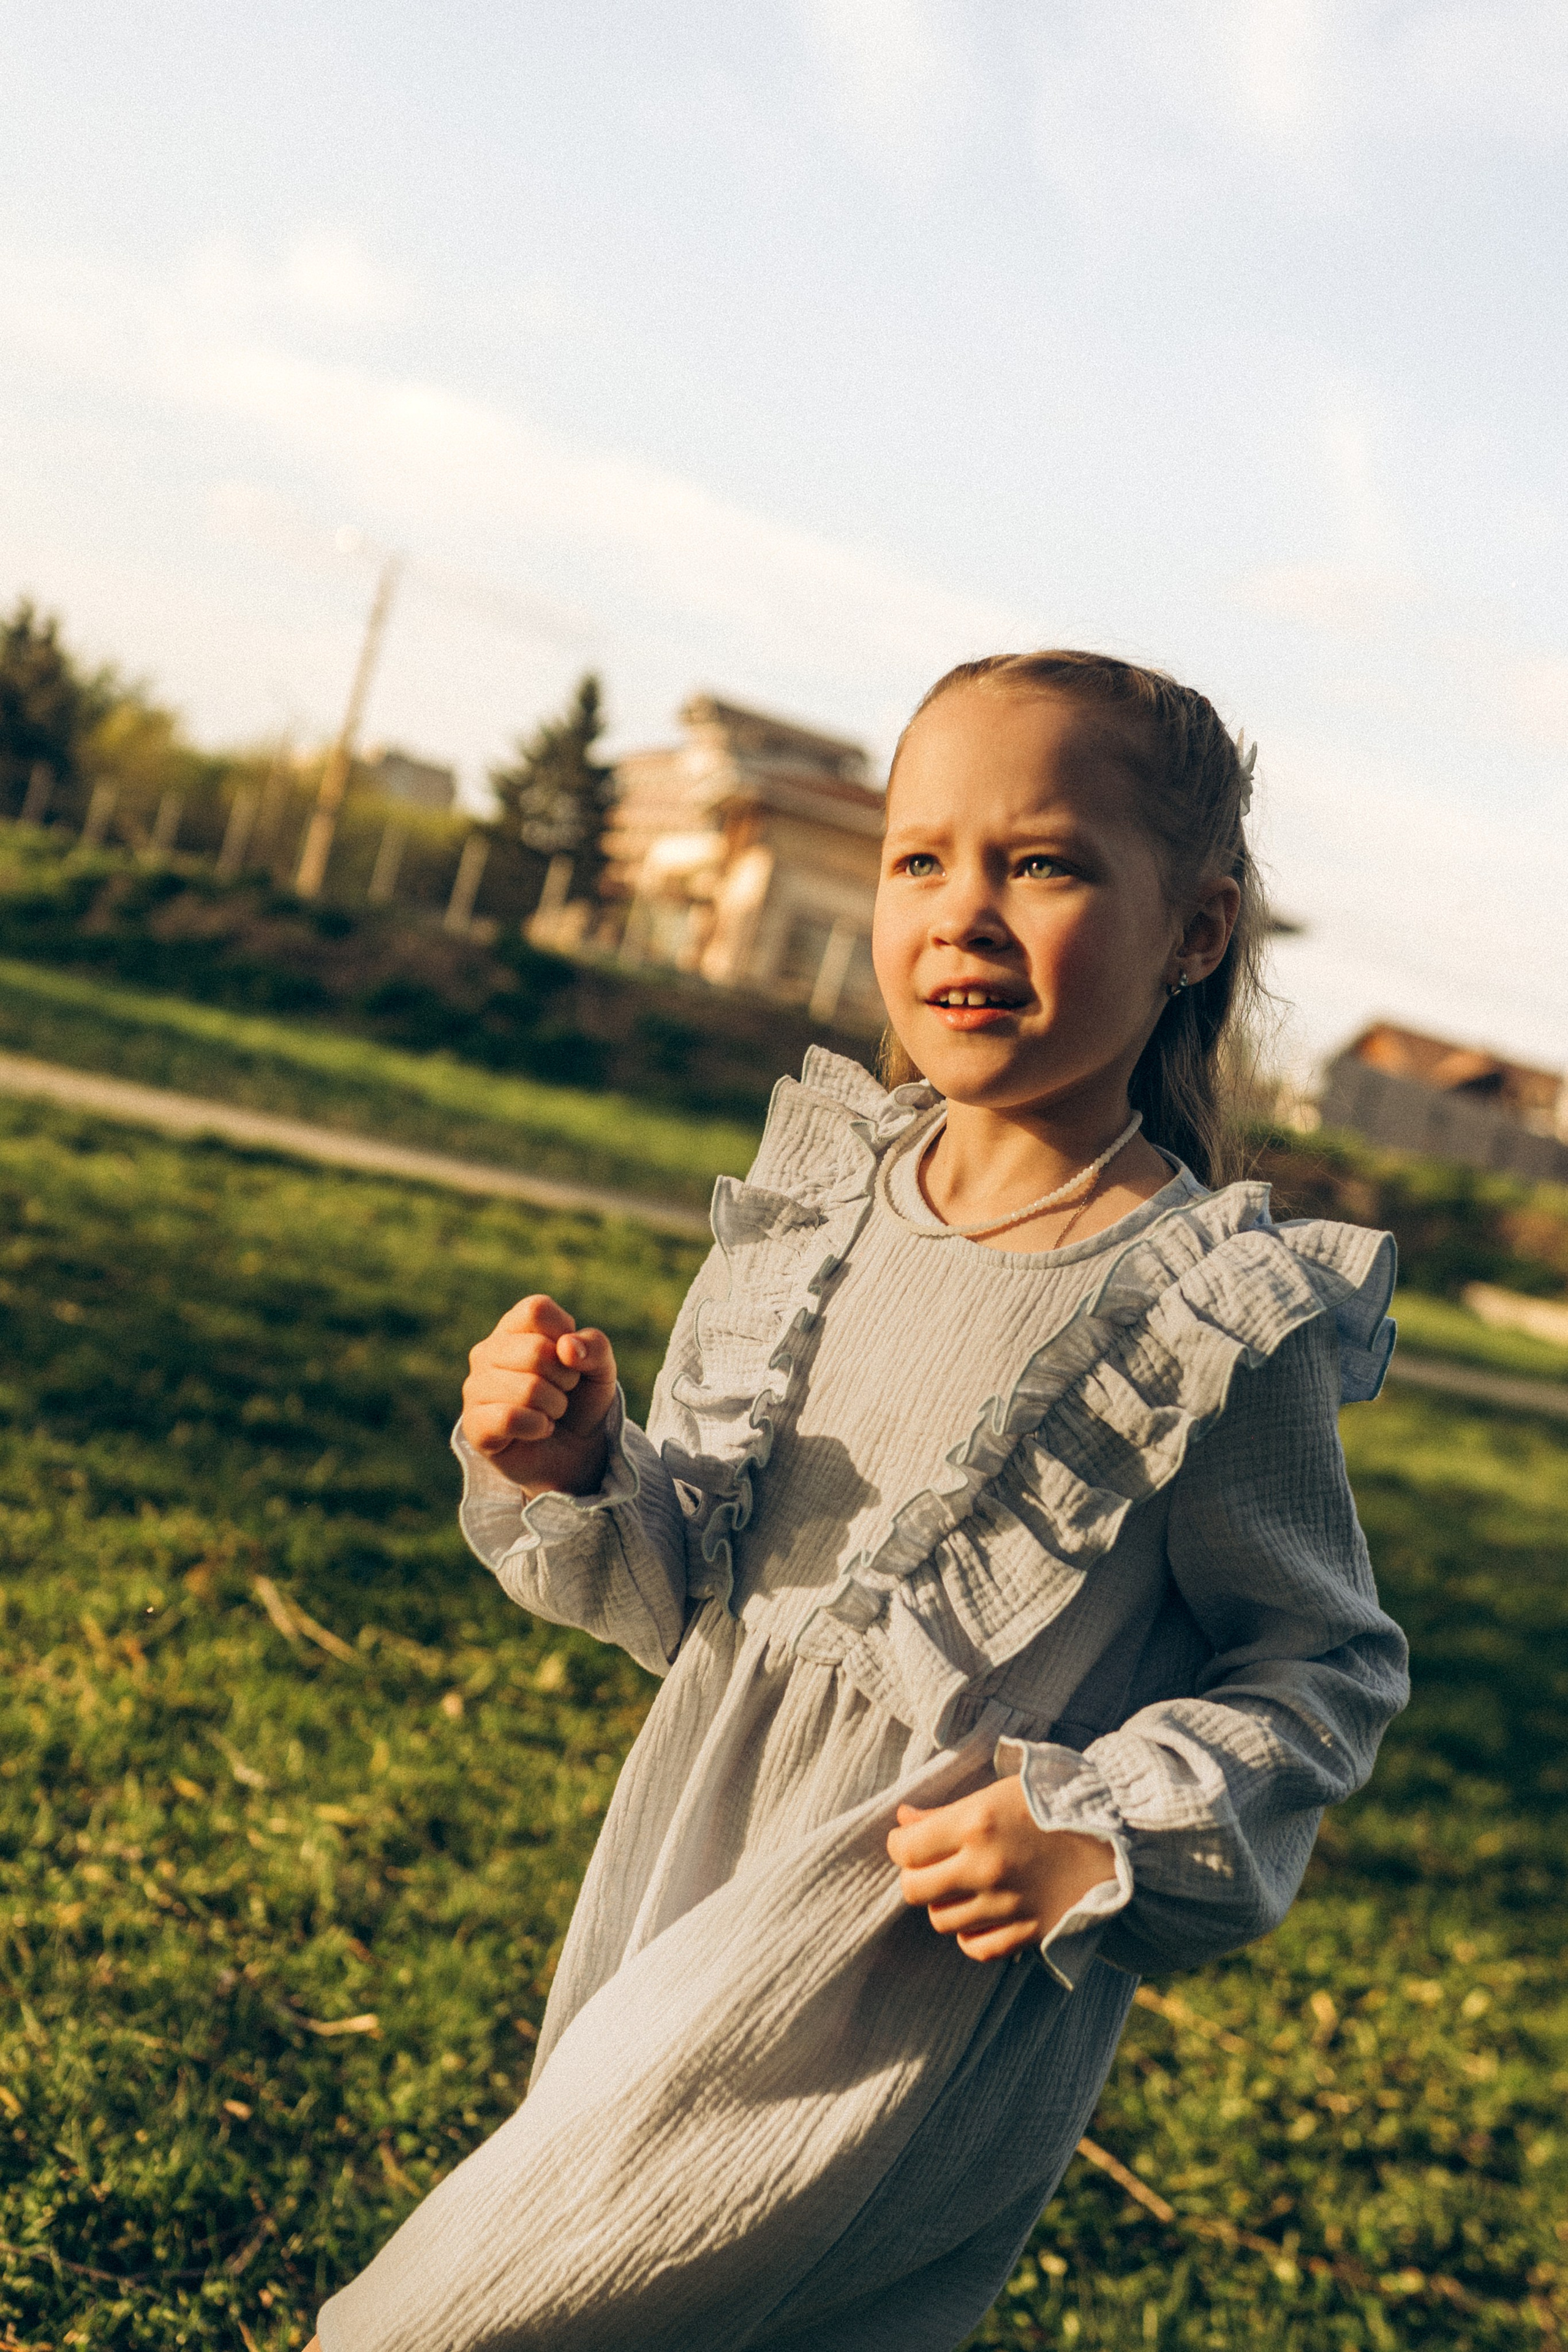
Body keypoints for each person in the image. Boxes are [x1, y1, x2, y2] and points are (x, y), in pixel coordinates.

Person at [313, 651, 1409, 2352]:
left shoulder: (1208, 1313)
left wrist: (1097, 1819)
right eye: (922, 858)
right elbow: (695, 1589)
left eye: (1041, 865)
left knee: (440, 2328)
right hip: (686, 1887)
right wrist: (578, 1466)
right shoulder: (824, 1213)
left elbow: (1325, 1672)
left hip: (898, 1976)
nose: (964, 914)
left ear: (1194, 932)